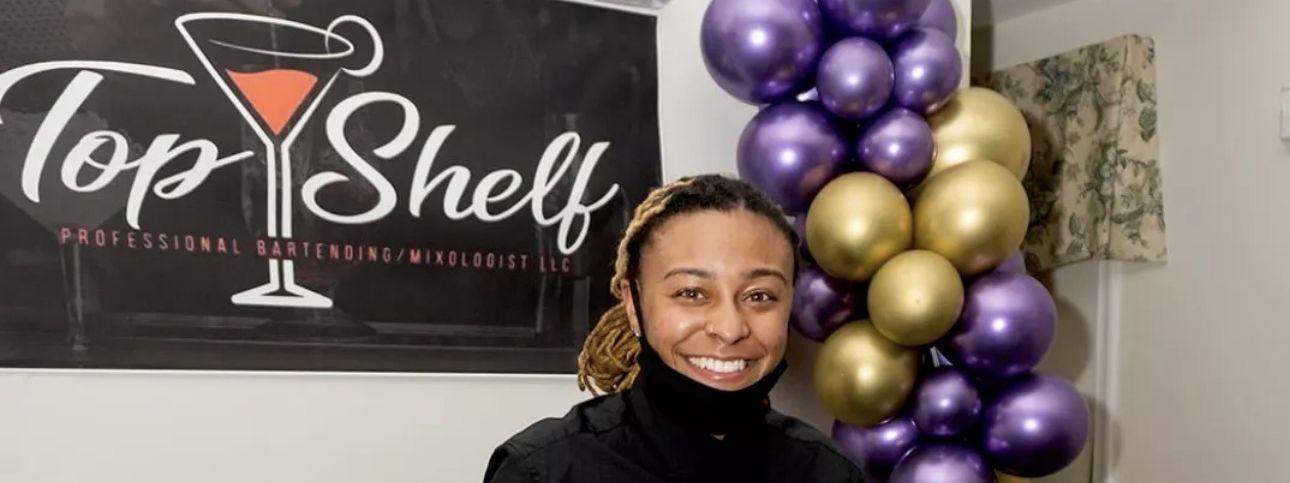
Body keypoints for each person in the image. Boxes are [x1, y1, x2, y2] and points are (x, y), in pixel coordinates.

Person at [485, 175, 864, 482]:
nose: (730, 329)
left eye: (759, 296)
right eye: (692, 293)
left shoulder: (829, 472)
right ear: (633, 304)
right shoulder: (544, 471)